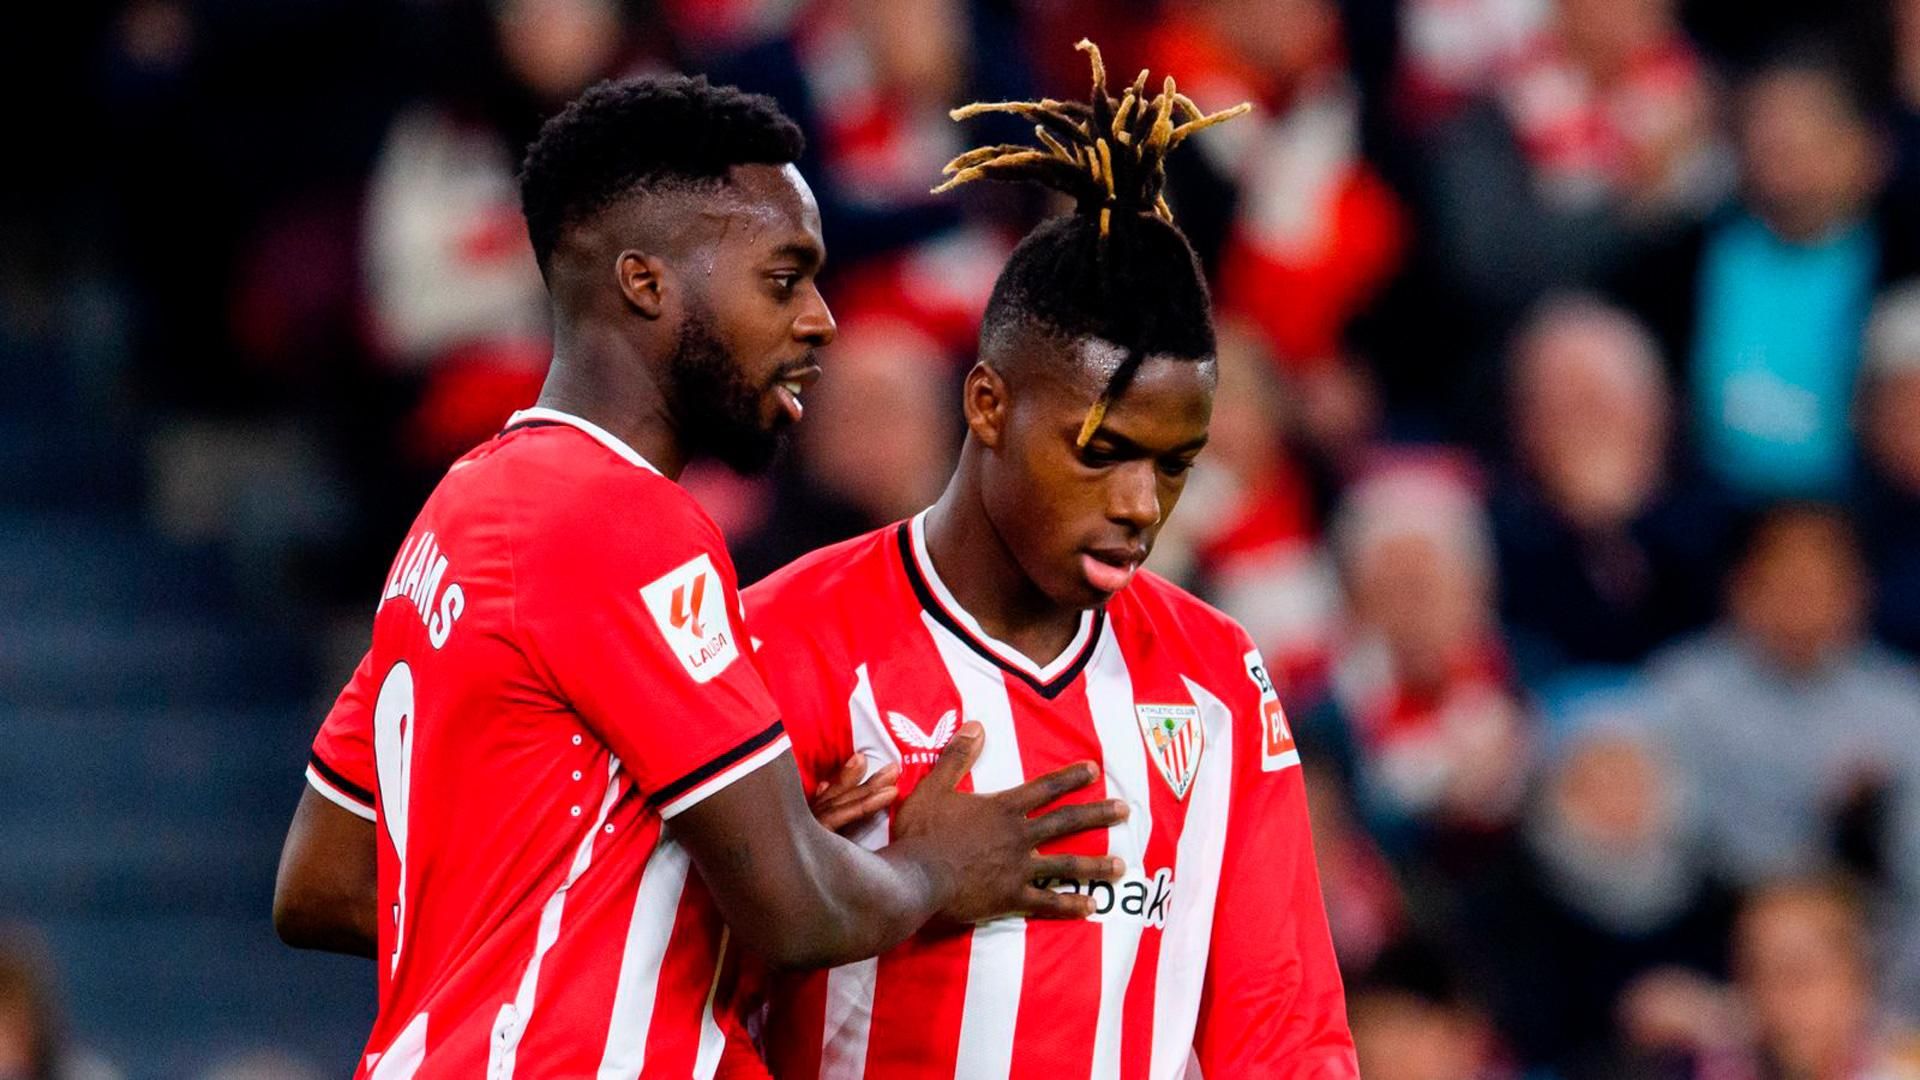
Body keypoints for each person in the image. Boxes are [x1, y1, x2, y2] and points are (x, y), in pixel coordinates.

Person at [270, 75, 1129, 1078]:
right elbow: (802, 912)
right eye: (782, 278)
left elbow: (327, 879)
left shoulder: (459, 514)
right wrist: (939, 864)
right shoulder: (620, 519)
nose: (820, 320)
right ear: (646, 283)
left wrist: (678, 870)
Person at [729, 41, 1357, 1078]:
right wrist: (862, 887)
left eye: (1174, 466)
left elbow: (1282, 1028)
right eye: (1100, 454)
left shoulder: (1215, 679)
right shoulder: (789, 640)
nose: (1138, 506)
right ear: (988, 404)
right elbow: (676, 990)